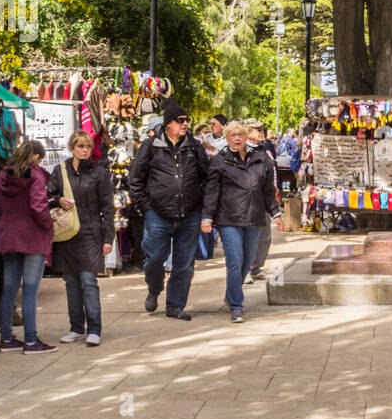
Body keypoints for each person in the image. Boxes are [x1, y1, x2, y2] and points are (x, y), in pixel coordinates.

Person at [127, 98, 215, 320]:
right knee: (154, 259)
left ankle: (175, 305)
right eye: (180, 120)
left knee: (184, 264)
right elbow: (135, 179)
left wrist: (202, 206)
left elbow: (207, 178)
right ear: (168, 124)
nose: (185, 124)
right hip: (157, 214)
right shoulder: (151, 146)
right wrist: (146, 207)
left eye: (186, 120)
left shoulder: (194, 147)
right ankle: (154, 288)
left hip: (189, 215)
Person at [206, 120, 283, 323]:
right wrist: (207, 217)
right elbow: (211, 191)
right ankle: (237, 305)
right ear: (227, 138)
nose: (237, 138)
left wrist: (275, 213)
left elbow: (267, 190)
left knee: (247, 261)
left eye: (240, 134)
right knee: (235, 261)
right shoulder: (219, 160)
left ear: (246, 135)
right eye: (233, 135)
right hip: (228, 219)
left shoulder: (260, 158)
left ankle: (231, 294)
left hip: (253, 217)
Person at [47, 130, 116, 346]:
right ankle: (76, 327)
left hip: (91, 233)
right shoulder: (60, 172)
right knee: (70, 282)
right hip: (67, 235)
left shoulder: (99, 173)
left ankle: (94, 328)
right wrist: (59, 200)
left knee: (88, 281)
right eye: (80, 146)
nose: (85, 150)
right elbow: (46, 196)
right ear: (72, 148)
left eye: (87, 146)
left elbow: (108, 207)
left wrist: (108, 238)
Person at [0, 139, 56, 354]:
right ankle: (30, 340)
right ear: (36, 157)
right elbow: (39, 206)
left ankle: (7, 339)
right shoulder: (35, 176)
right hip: (31, 236)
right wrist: (48, 226)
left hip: (8, 235)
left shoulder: (2, 176)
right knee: (29, 291)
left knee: (9, 290)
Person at [247, 122, 277, 282]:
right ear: (247, 131)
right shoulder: (242, 150)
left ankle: (256, 267)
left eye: (262, 129)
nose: (261, 132)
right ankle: (246, 268)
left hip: (265, 199)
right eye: (257, 129)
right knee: (249, 236)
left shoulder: (264, 150)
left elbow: (271, 172)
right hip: (248, 201)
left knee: (264, 236)